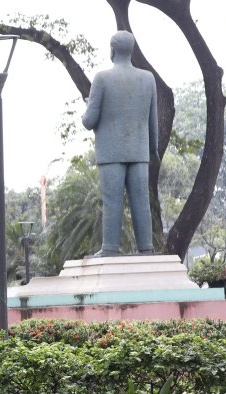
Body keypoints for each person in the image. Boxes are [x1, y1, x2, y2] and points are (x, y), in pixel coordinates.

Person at [81, 30, 159, 257]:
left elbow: (89, 121)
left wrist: (87, 107)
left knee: (112, 200)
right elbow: (153, 120)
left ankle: (110, 248)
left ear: (112, 50)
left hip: (111, 151)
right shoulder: (148, 78)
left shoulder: (102, 78)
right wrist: (153, 149)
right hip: (139, 150)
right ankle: (146, 248)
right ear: (132, 51)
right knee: (141, 200)